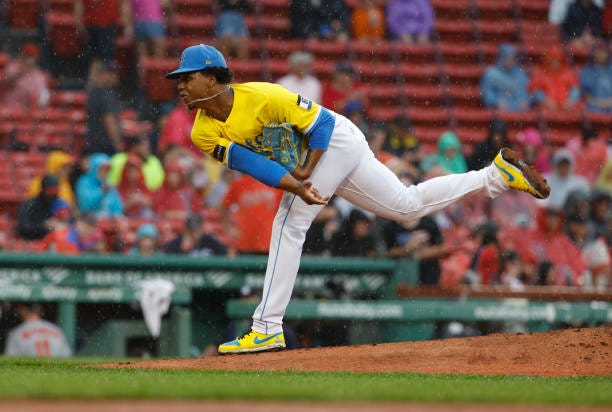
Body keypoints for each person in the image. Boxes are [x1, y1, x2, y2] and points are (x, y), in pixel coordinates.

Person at [164, 44, 550, 354]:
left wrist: (304, 174)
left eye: (188, 77)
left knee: (288, 223)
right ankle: (496, 175)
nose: (180, 85)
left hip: (335, 140)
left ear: (213, 78)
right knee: (406, 206)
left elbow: (324, 124)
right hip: (323, 160)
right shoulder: (201, 131)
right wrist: (296, 184)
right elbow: (250, 163)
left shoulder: (264, 96)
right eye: (178, 79)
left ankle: (266, 327)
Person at [221, 173, 282, 254]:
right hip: (244, 244)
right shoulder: (239, 184)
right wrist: (227, 228)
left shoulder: (276, 184)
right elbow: (224, 206)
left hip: (269, 244)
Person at [384, 215, 446, 285]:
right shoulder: (390, 226)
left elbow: (442, 248)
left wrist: (419, 254)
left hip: (429, 272)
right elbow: (388, 252)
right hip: (401, 274)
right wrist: (407, 248)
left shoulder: (428, 223)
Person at [4, 303, 71, 357]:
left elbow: (10, 359)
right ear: (40, 310)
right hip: (54, 369)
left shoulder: (16, 333)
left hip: (30, 370)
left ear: (22, 310)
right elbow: (66, 356)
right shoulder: (56, 329)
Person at [85, 61, 123, 155]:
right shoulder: (105, 95)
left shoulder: (93, 92)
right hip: (106, 147)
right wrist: (117, 143)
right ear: (103, 74)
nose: (115, 77)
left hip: (94, 145)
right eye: (112, 74)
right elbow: (109, 120)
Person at [480, 43, 531, 112]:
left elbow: (523, 90)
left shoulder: (519, 73)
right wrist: (496, 101)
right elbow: (487, 93)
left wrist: (523, 99)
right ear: (501, 57)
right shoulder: (491, 73)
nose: (510, 60)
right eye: (507, 57)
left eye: (512, 58)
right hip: (500, 110)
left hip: (518, 109)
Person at [0, 43, 50, 111]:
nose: (28, 59)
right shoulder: (12, 67)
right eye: (26, 56)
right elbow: (5, 84)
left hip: (27, 113)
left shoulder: (39, 75)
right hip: (8, 109)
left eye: (31, 57)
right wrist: (20, 73)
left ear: (36, 59)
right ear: (21, 55)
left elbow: (43, 98)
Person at [529, 45, 581, 111]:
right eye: (552, 60)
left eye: (557, 60)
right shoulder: (540, 74)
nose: (555, 63)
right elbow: (534, 91)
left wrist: (571, 100)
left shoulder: (568, 73)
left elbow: (576, 89)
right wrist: (545, 100)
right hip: (546, 107)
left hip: (567, 106)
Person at [75, 153, 124, 217]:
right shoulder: (84, 182)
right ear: (94, 168)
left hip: (109, 221)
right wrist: (102, 192)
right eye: (102, 169)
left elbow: (118, 207)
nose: (105, 173)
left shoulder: (108, 183)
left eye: (107, 170)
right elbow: (85, 206)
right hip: (90, 221)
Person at [17, 175, 62, 240]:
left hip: (55, 243)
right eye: (50, 191)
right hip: (32, 243)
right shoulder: (30, 205)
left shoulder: (59, 204)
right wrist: (43, 225)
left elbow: (70, 225)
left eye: (56, 191)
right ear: (43, 190)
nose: (53, 195)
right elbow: (24, 228)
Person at [40, 213, 105, 254]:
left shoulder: (90, 239)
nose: (89, 229)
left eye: (91, 226)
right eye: (86, 225)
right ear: (78, 223)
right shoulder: (66, 236)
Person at [579, 40, 612, 114]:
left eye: (603, 51)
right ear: (593, 53)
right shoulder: (586, 71)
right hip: (594, 106)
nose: (601, 54)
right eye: (598, 51)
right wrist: (600, 104)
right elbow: (585, 95)